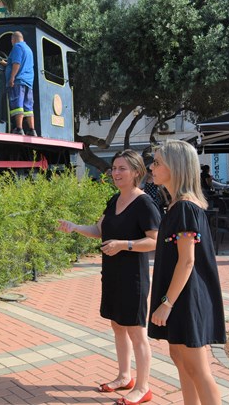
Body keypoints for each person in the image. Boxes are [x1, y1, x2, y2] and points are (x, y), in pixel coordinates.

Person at [58, 149, 160, 405]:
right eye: (114, 168)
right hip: (112, 274)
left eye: (122, 168)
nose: (115, 173)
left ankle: (143, 387)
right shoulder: (114, 200)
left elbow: (154, 241)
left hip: (133, 278)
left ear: (137, 172)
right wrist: (74, 227)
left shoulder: (144, 203)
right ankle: (125, 376)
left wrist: (123, 244)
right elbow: (100, 230)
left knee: (137, 332)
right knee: (117, 326)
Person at [148, 140, 226, 405]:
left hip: (185, 298)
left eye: (157, 162)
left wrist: (166, 303)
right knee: (182, 362)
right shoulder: (179, 206)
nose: (152, 167)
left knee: (197, 369)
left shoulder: (183, 207)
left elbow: (187, 262)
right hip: (182, 296)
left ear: (175, 166)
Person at [0, 31, 37, 136]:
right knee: (28, 106)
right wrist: (6, 64)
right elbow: (19, 63)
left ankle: (19, 128)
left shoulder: (17, 47)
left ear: (13, 39)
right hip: (28, 81)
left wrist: (12, 77)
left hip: (19, 81)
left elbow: (17, 63)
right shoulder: (28, 49)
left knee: (17, 103)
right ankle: (32, 130)